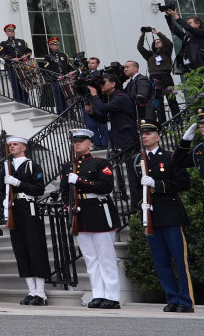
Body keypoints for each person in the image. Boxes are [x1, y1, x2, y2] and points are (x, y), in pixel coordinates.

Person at [129, 122, 194, 313]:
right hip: (151, 216)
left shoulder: (170, 157)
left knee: (179, 259)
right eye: (143, 134)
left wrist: (156, 183)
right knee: (161, 260)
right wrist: (142, 203)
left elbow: (183, 183)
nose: (145, 136)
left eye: (149, 133)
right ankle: (172, 297)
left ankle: (186, 300)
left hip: (171, 214)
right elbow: (134, 190)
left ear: (158, 136)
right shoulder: (136, 161)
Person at [61, 128, 121, 309]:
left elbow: (105, 186)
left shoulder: (100, 162)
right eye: (75, 141)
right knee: (90, 258)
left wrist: (79, 181)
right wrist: (69, 207)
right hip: (80, 215)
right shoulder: (67, 166)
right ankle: (98, 294)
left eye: (81, 140)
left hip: (99, 212)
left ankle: (112, 296)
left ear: (90, 144)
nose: (77, 143)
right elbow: (64, 191)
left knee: (106, 256)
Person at [1, 134, 51, 305]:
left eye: (15, 144)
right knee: (20, 250)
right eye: (10, 145)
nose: (12, 147)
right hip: (14, 210)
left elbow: (38, 189)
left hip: (28, 208)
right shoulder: (7, 166)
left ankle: (41, 292)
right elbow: (2, 189)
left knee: (35, 249)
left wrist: (17, 183)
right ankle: (31, 291)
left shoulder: (31, 166)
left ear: (24, 147)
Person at [173, 107, 204, 254]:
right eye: (200, 123)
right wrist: (185, 141)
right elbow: (177, 162)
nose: (202, 125)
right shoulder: (201, 149)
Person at [84, 72, 139, 153]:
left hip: (128, 138)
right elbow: (105, 119)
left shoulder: (121, 97)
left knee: (131, 161)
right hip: (119, 138)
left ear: (113, 84)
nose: (101, 85)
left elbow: (103, 108)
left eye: (103, 82)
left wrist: (95, 95)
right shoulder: (111, 97)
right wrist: (92, 113)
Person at [137, 27, 179, 123]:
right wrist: (142, 35)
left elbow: (169, 43)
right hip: (154, 79)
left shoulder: (166, 53)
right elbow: (140, 48)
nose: (156, 42)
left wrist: (158, 33)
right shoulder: (150, 55)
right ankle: (162, 123)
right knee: (158, 103)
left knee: (171, 100)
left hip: (165, 78)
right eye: (155, 42)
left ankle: (178, 122)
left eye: (159, 41)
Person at [164, 7, 204, 75]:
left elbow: (189, 28)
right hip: (188, 68)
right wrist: (169, 16)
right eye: (187, 23)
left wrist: (176, 16)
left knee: (203, 85)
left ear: (197, 24)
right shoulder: (187, 36)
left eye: (190, 23)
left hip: (199, 65)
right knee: (190, 85)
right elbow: (174, 29)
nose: (187, 24)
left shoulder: (203, 33)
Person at [0, 24, 32, 105]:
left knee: (25, 83)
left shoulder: (22, 42)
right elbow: (2, 55)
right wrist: (12, 59)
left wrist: (26, 56)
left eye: (13, 31)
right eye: (9, 31)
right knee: (15, 84)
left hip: (23, 66)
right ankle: (18, 101)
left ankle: (26, 101)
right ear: (6, 33)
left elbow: (29, 51)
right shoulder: (3, 43)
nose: (12, 32)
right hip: (12, 67)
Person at [38, 37, 70, 113]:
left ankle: (69, 114)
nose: (56, 46)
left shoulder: (64, 55)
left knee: (68, 98)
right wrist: (56, 77)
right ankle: (61, 114)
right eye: (54, 44)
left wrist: (69, 74)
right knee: (59, 98)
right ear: (50, 46)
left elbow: (69, 67)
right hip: (56, 81)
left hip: (66, 80)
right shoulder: (48, 57)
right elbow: (47, 70)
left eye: (57, 44)